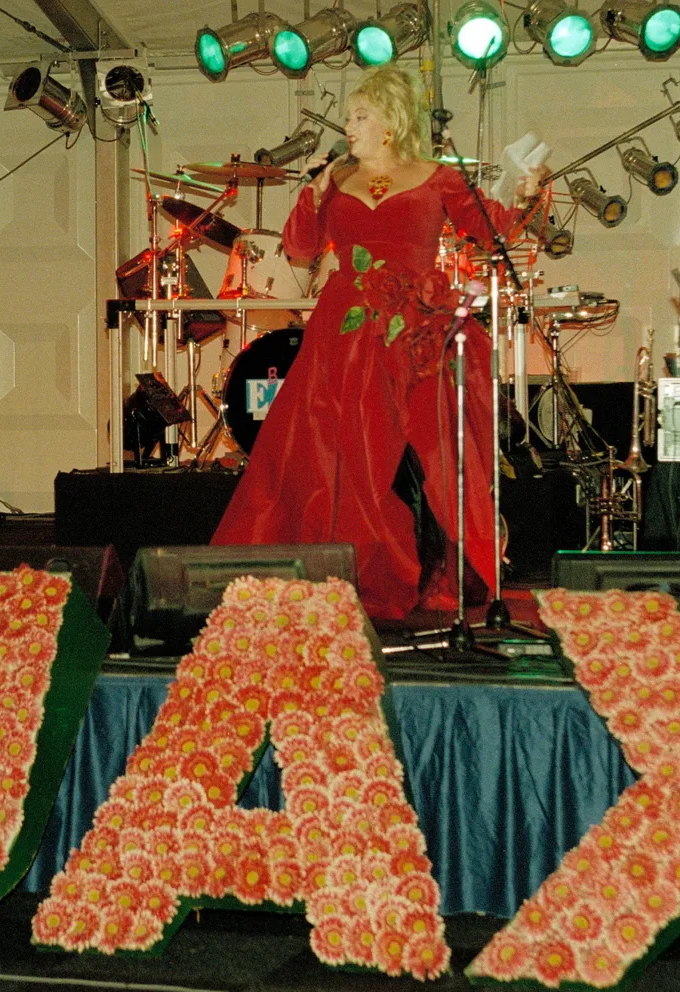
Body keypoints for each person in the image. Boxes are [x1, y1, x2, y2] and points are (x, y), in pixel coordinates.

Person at [211, 66, 539, 622]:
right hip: (345, 327)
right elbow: (300, 248)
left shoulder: (438, 177)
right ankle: (341, 568)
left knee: (418, 453)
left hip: (415, 328)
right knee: (337, 450)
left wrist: (529, 194)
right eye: (348, 117)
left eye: (360, 116)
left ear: (390, 122)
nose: (349, 126)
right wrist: (313, 196)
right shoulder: (336, 179)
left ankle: (422, 567)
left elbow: (491, 229)